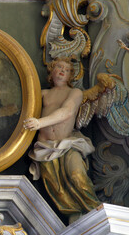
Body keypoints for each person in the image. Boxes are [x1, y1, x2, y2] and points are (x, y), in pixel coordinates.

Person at [23, 57, 100, 224]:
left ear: (70, 76)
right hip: (45, 148)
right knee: (57, 189)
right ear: (51, 70)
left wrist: (39, 123)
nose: (62, 70)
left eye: (67, 69)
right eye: (59, 66)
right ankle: (74, 215)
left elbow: (66, 112)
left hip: (67, 144)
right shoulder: (43, 94)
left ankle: (96, 212)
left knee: (77, 175)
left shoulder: (75, 93)